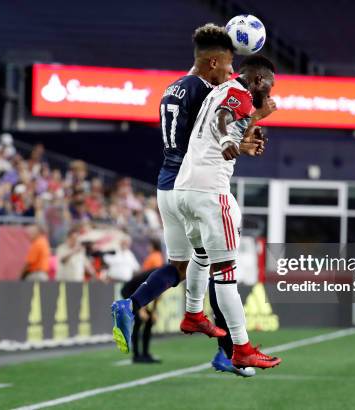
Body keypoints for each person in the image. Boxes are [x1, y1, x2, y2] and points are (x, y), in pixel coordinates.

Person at [111, 23, 275, 377]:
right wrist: (251, 125)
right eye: (229, 67)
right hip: (192, 183)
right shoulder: (206, 91)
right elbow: (214, 135)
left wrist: (242, 140)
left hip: (167, 183)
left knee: (186, 266)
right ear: (214, 63)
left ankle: (133, 303)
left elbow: (205, 137)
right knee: (219, 267)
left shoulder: (176, 86)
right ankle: (229, 350)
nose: (232, 75)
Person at [172, 55, 281, 369]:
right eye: (270, 86)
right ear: (258, 80)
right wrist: (236, 132)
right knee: (227, 277)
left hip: (185, 190)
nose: (271, 93)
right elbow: (224, 120)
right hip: (210, 193)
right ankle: (242, 348)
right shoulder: (241, 94)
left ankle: (193, 313)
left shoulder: (217, 91)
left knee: (202, 257)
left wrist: (246, 133)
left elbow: (222, 128)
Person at [121, 269, 161, 364]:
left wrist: (154, 312)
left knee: (149, 320)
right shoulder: (154, 276)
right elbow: (140, 293)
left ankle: (145, 354)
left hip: (139, 295)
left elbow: (157, 295)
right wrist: (141, 311)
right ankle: (136, 356)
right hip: (129, 292)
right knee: (139, 320)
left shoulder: (165, 279)